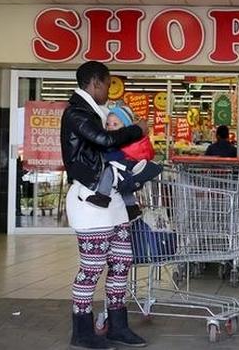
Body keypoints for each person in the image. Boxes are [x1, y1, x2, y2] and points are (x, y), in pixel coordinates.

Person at [61, 61, 148, 349]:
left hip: (112, 202)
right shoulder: (77, 112)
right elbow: (104, 139)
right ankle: (82, 331)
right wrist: (136, 130)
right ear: (95, 83)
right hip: (89, 202)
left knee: (121, 263)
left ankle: (117, 325)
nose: (110, 90)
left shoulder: (95, 111)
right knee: (92, 267)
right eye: (109, 84)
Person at [85, 105, 162, 209]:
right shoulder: (130, 140)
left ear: (125, 127)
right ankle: (131, 208)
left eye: (115, 124)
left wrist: (103, 156)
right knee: (123, 188)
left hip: (125, 166)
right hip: (127, 170)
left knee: (109, 172)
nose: (110, 127)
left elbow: (119, 154)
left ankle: (102, 197)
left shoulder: (125, 141)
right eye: (108, 124)